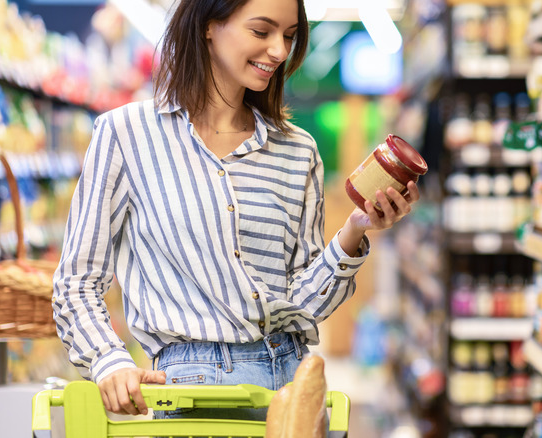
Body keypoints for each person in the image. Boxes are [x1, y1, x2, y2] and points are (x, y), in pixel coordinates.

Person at [52, 0, 420, 422]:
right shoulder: (126, 134)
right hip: (190, 395)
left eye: (289, 36)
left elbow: (301, 304)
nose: (280, 51)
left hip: (291, 387)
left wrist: (356, 230)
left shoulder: (298, 151)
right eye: (262, 32)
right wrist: (108, 360)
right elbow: (77, 281)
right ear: (210, 26)